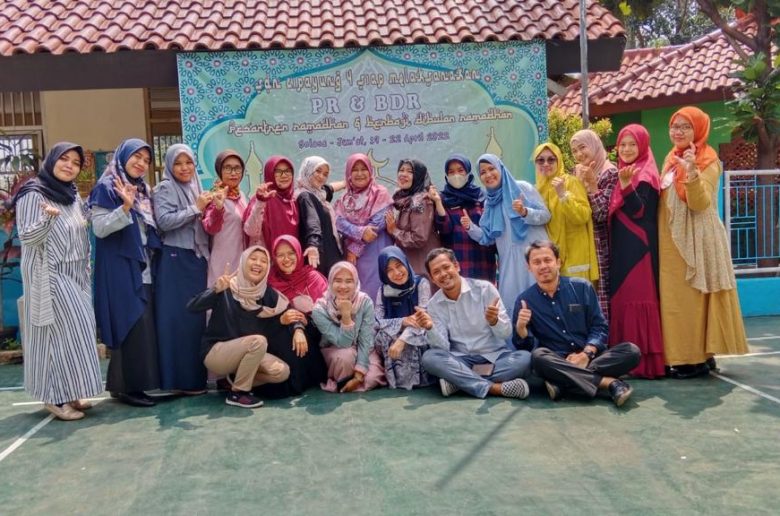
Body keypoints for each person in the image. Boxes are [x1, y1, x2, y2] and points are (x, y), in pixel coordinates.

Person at [658, 106, 748, 378]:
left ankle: (692, 360)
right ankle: (697, 355)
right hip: (671, 241)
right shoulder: (671, 158)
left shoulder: (708, 160)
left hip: (695, 239)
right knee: (678, 300)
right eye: (675, 126)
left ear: (698, 129)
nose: (678, 132)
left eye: (686, 127)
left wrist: (692, 172)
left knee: (691, 299)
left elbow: (700, 203)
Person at [15, 142, 103, 420]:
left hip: (76, 273)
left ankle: (72, 390)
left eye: (75, 162)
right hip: (49, 274)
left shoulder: (71, 195)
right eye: (64, 159)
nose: (69, 166)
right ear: (51, 160)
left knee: (77, 332)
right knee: (54, 337)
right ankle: (54, 397)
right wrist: (47, 220)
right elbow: (27, 237)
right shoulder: (33, 193)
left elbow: (83, 223)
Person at [513, 240, 641, 406]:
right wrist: (521, 328)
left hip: (590, 356)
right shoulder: (524, 300)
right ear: (529, 267)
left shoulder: (582, 287)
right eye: (537, 262)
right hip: (556, 360)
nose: (543, 266)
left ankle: (563, 383)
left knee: (632, 351)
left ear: (558, 262)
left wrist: (586, 354)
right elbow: (524, 347)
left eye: (548, 260)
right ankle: (610, 383)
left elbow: (599, 327)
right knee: (538, 357)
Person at [89, 138, 161, 407]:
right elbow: (100, 229)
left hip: (141, 266)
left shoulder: (143, 190)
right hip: (120, 268)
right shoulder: (107, 187)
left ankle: (121, 385)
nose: (141, 163)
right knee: (129, 323)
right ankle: (131, 388)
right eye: (136, 157)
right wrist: (125, 207)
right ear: (123, 156)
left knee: (139, 326)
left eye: (146, 160)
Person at [187, 246, 301, 408]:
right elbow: (192, 307)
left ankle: (234, 381)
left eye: (264, 261)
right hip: (216, 353)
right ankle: (238, 393)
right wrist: (215, 290)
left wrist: (297, 328)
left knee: (282, 372)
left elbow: (287, 309)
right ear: (243, 262)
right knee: (258, 341)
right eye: (253, 259)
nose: (258, 263)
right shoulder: (227, 287)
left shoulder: (266, 293)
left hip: (248, 353)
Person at [415, 248, 531, 400]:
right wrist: (430, 328)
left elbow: (506, 333)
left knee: (525, 359)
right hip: (461, 359)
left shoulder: (485, 289)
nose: (443, 274)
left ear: (456, 266)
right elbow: (442, 348)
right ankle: (495, 388)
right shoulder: (434, 304)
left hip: (495, 357)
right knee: (430, 358)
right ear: (432, 279)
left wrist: (494, 321)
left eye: (446, 267)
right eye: (436, 272)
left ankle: (459, 382)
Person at [152, 144, 212, 393]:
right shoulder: (164, 188)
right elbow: (163, 222)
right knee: (177, 320)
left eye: (188, 162)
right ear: (169, 166)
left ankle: (194, 380)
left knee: (195, 321)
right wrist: (196, 208)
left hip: (196, 259)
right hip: (176, 259)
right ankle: (176, 381)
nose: (184, 168)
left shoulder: (196, 187)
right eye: (178, 163)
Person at [609, 124, 665, 378]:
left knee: (638, 299)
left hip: (639, 248)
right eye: (623, 144)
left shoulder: (647, 174)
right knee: (621, 299)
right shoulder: (623, 171)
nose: (627, 149)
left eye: (633, 144)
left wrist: (626, 185)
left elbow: (640, 211)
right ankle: (622, 361)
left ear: (642, 146)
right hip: (621, 246)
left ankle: (642, 364)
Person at [469, 153, 550, 309]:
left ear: (500, 168)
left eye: (491, 169)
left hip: (535, 255)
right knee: (512, 305)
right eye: (483, 172)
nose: (488, 175)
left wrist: (525, 212)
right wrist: (470, 228)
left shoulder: (522, 188)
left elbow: (546, 215)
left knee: (542, 302)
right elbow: (488, 238)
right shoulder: (489, 203)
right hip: (509, 263)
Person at [263, 234, 328, 396]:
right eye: (280, 255)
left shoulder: (313, 277)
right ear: (274, 258)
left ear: (299, 253)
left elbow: (329, 312)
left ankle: (297, 381)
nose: (286, 259)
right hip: (288, 336)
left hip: (318, 334)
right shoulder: (271, 283)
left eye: (291, 253)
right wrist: (295, 326)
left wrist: (302, 324)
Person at [311, 261, 386, 393]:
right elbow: (343, 343)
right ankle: (342, 380)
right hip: (335, 349)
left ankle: (351, 380)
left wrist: (359, 372)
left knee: (371, 379)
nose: (343, 286)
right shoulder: (320, 309)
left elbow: (366, 339)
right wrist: (346, 316)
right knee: (345, 357)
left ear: (356, 282)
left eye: (349, 281)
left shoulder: (364, 302)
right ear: (330, 282)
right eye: (338, 280)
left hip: (363, 349)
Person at [570, 129, 619, 319]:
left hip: (601, 243)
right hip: (582, 242)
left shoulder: (610, 173)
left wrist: (591, 184)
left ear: (595, 145)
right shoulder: (577, 173)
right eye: (574, 151)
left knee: (601, 292)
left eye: (583, 147)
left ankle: (604, 333)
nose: (579, 154)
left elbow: (601, 214)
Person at [532, 143, 598, 282]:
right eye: (540, 160)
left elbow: (584, 215)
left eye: (551, 159)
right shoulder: (536, 190)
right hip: (549, 258)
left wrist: (563, 195)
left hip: (574, 255)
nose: (546, 164)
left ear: (559, 161)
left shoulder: (570, 182)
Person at [429, 154, 496, 283]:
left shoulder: (481, 196)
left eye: (460, 170)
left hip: (483, 259)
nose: (456, 175)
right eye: (451, 172)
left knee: (484, 293)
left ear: (468, 172)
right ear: (446, 175)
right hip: (457, 260)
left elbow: (491, 229)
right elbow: (444, 229)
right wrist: (437, 202)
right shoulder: (443, 198)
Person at [375, 246, 435, 390]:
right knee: (385, 335)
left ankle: (417, 380)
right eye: (389, 270)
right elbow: (376, 321)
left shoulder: (421, 284)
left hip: (419, 332)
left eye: (399, 265)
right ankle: (396, 380)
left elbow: (423, 317)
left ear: (405, 262)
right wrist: (401, 322)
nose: (397, 273)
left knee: (414, 337)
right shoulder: (383, 290)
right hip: (392, 334)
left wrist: (403, 340)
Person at [334, 153, 393, 300]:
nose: (359, 173)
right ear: (349, 173)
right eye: (355, 170)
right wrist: (360, 233)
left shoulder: (380, 192)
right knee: (358, 294)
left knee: (378, 291)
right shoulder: (344, 199)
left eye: (363, 169)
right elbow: (339, 222)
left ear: (370, 171)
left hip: (376, 250)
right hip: (353, 258)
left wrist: (355, 248)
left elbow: (377, 224)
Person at [385, 159, 441, 276]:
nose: (403, 174)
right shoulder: (406, 200)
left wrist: (394, 231)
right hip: (414, 265)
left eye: (410, 172)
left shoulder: (420, 202)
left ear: (418, 177)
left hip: (423, 267)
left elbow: (418, 238)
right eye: (401, 170)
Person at [202, 149, 248, 287]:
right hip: (223, 261)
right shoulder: (214, 196)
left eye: (237, 168)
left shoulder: (241, 196)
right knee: (222, 295)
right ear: (219, 171)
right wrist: (218, 208)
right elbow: (210, 227)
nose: (233, 173)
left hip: (241, 258)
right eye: (228, 168)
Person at [295, 155, 343, 275]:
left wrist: (346, 183)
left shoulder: (319, 193)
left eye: (325, 174)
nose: (321, 176)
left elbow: (330, 188)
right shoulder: (305, 196)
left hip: (329, 252)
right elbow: (312, 221)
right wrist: (313, 244)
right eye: (318, 171)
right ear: (308, 170)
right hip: (318, 256)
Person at [243, 155, 299, 248]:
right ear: (270, 174)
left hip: (290, 256)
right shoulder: (262, 198)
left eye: (288, 171)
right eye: (278, 171)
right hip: (266, 256)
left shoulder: (295, 201)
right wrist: (260, 202)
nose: (284, 175)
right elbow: (250, 231)